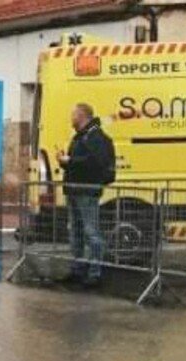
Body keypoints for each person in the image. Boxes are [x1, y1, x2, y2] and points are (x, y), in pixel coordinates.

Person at [57, 103, 115, 287]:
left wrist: (70, 161)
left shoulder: (95, 136)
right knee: (76, 231)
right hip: (75, 189)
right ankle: (78, 269)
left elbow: (95, 162)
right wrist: (64, 162)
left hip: (87, 191)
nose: (71, 118)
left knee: (91, 232)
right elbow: (79, 163)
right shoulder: (81, 136)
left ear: (82, 116)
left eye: (73, 114)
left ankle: (95, 272)